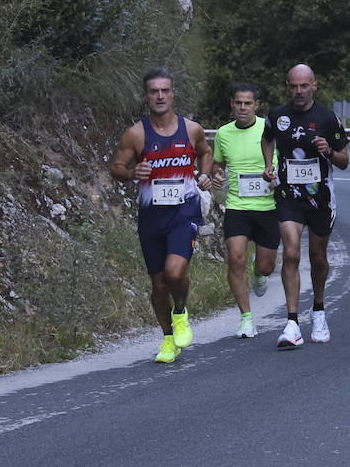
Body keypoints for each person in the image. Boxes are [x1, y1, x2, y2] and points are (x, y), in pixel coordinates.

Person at [109, 68, 213, 364]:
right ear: (146, 96)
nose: (160, 96)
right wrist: (131, 173)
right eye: (154, 91)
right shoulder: (136, 133)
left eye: (165, 90)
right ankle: (168, 339)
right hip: (152, 217)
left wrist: (204, 175)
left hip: (184, 211)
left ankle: (180, 312)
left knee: (175, 273)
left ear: (173, 93)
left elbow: (206, 152)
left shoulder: (191, 129)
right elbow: (116, 168)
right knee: (158, 286)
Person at [262, 64, 349, 348]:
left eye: (303, 86)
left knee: (318, 257)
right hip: (289, 195)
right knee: (290, 253)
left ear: (314, 86)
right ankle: (291, 322)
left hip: (320, 197)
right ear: (287, 87)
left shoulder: (327, 118)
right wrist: (268, 165)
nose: (298, 92)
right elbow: (267, 139)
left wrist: (329, 151)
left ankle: (319, 309)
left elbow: (344, 161)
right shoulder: (277, 115)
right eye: (293, 86)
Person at [209, 83, 279, 339]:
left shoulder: (268, 129)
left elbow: (280, 162)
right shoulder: (223, 134)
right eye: (238, 103)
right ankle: (246, 318)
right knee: (235, 257)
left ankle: (259, 272)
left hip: (267, 206)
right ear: (232, 104)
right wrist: (216, 175)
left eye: (247, 103)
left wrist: (275, 177)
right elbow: (218, 164)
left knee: (267, 265)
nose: (242, 107)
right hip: (237, 205)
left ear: (256, 106)